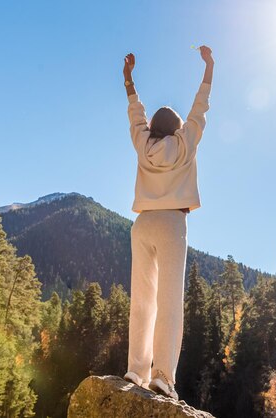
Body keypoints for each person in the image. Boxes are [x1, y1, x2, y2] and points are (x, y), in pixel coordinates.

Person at [122, 46, 214, 400]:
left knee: (143, 299)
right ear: (177, 129)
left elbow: (135, 113)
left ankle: (135, 370)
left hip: (142, 224)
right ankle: (163, 376)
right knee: (169, 301)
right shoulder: (186, 142)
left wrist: (129, 78)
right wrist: (209, 67)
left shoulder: (143, 142)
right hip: (173, 224)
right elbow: (200, 106)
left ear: (153, 129)